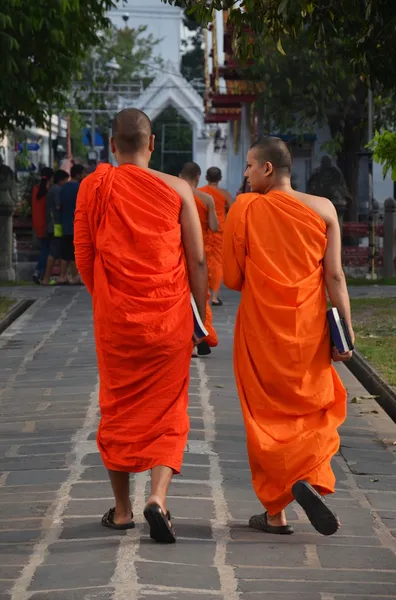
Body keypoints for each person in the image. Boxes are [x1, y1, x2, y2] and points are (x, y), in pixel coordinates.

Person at [74, 108, 207, 543]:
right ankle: (158, 498)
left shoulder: (94, 186)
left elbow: (84, 255)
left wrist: (109, 300)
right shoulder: (179, 190)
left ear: (112, 146)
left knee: (118, 408)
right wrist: (200, 318)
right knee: (170, 410)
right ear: (152, 145)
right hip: (169, 318)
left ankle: (123, 509)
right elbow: (198, 260)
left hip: (116, 320)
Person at [223, 137, 353, 537]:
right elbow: (334, 275)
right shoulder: (324, 209)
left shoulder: (244, 209)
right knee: (313, 406)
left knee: (264, 415)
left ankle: (275, 511)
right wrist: (345, 331)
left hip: (261, 329)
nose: (244, 174)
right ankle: (309, 477)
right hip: (310, 328)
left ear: (266, 169)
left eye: (248, 166)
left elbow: (231, 279)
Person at [179, 162, 219, 357]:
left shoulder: (174, 194)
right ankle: (199, 335)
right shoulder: (207, 198)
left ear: (180, 175)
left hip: (178, 250)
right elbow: (213, 226)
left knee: (180, 295)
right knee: (200, 294)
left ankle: (190, 337)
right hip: (201, 250)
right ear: (198, 177)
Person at [199, 167, 234, 306]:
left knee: (204, 260)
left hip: (204, 230)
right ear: (219, 179)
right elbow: (233, 209)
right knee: (218, 262)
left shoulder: (200, 192)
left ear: (206, 177)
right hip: (220, 230)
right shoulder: (224, 194)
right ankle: (214, 296)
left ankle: (203, 291)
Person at [42, 169, 69, 286]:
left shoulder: (52, 189)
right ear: (61, 180)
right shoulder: (57, 190)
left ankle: (47, 278)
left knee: (54, 251)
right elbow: (58, 206)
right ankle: (46, 279)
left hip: (51, 225)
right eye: (65, 181)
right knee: (53, 252)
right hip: (56, 226)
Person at [59, 164, 85, 284]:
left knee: (65, 253)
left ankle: (63, 276)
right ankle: (75, 277)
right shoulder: (80, 187)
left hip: (64, 224)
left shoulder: (63, 188)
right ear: (79, 174)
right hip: (76, 224)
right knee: (76, 252)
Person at [31, 167, 54, 283]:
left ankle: (40, 273)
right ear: (50, 178)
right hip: (46, 225)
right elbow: (48, 210)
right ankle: (38, 271)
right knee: (46, 250)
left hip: (37, 224)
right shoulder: (48, 191)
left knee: (44, 249)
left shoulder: (35, 189)